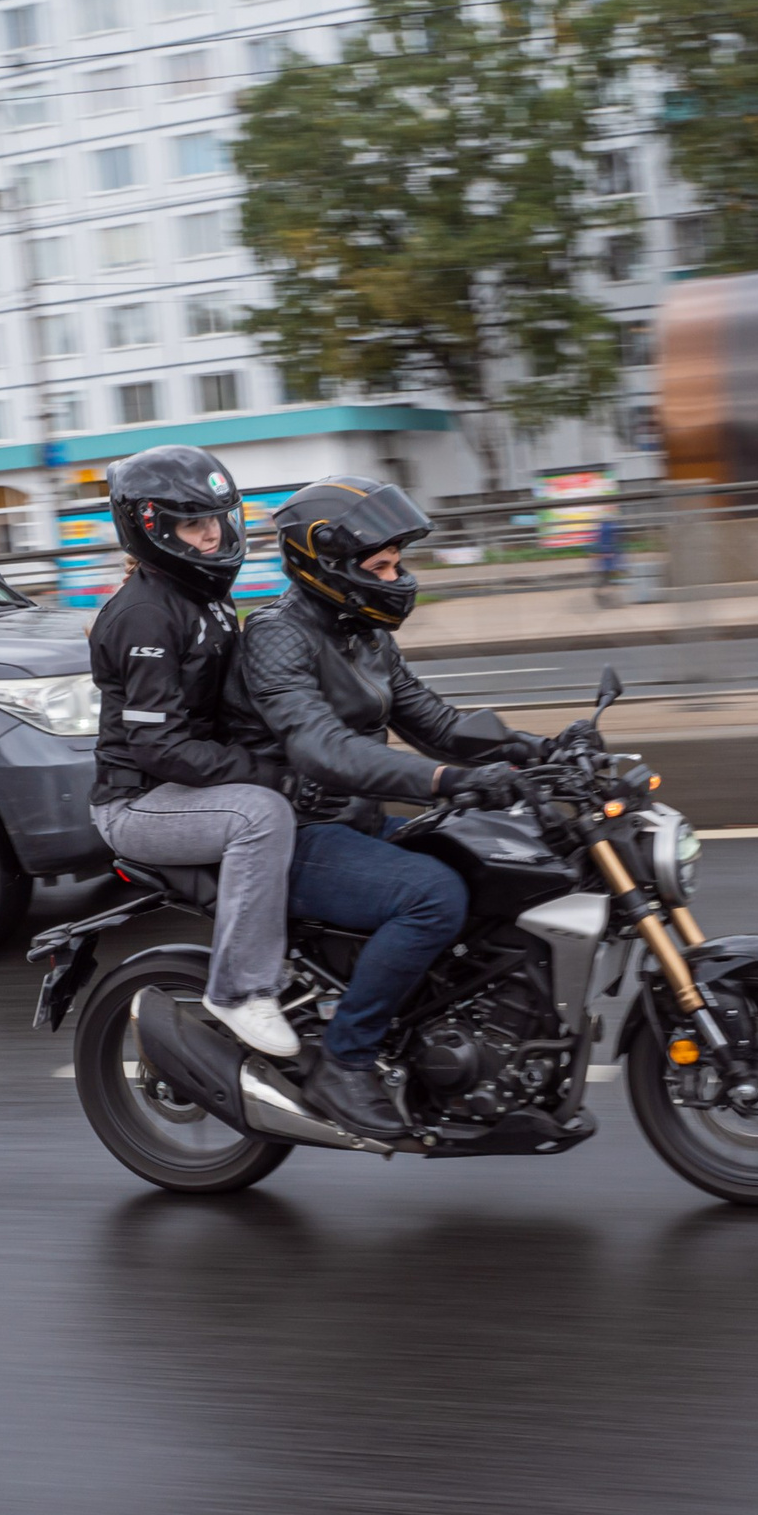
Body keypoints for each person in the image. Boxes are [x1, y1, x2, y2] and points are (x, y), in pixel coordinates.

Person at [231, 477, 546, 1138]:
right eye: (382, 565)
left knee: (507, 862)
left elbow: (436, 721)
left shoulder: (366, 633)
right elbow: (321, 747)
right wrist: (445, 780)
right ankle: (345, 1061)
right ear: (329, 565)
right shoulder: (276, 636)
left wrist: (536, 746)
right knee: (432, 895)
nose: (397, 577)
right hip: (298, 835)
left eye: (397, 563)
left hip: (360, 822)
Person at [87, 445, 299, 1060]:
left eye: (217, 519)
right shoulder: (147, 616)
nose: (213, 534)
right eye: (193, 524)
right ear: (152, 528)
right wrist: (266, 774)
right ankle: (239, 990)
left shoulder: (202, 596)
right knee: (263, 815)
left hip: (186, 786)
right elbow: (158, 747)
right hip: (139, 803)